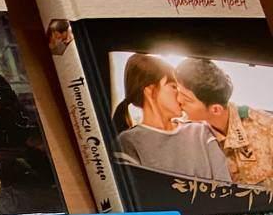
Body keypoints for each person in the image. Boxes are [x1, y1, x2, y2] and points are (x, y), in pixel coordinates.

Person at [112, 53, 230, 182]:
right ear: (150, 91)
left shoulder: (201, 132)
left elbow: (224, 186)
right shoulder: (129, 143)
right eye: (173, 87)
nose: (180, 96)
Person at [175, 57, 273, 189]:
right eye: (178, 91)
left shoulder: (265, 128)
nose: (178, 100)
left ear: (215, 109)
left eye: (187, 99)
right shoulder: (184, 128)